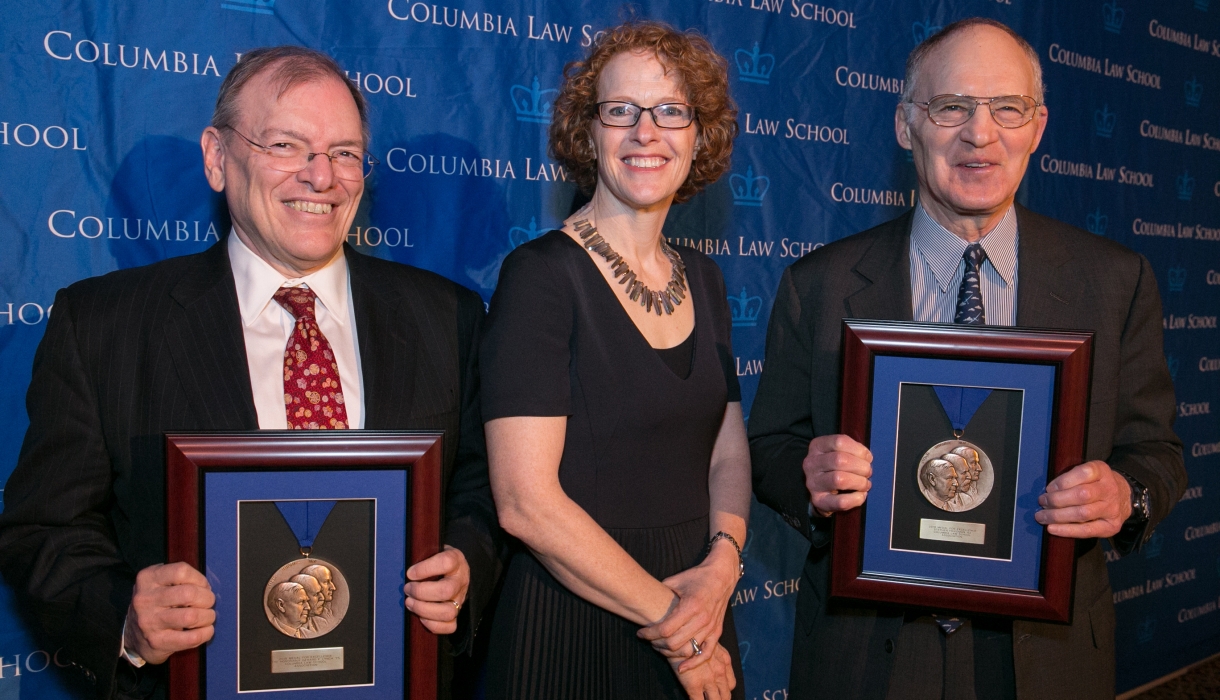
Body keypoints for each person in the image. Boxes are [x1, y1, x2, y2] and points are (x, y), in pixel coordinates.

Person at [0, 46, 505, 699]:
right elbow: (44, 528)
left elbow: (483, 487)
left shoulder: (450, 317)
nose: (321, 176)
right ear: (217, 158)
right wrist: (124, 614)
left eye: (345, 152)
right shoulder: (101, 327)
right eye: (286, 145)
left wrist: (465, 561)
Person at [749, 17, 1186, 700]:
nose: (980, 134)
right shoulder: (820, 283)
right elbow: (771, 445)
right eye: (951, 106)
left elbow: (1156, 451)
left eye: (1007, 108)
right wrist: (808, 477)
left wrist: (1125, 495)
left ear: (1037, 127)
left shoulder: (1115, 280)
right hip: (867, 656)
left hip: (1046, 657)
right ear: (905, 125)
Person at [479, 20, 750, 700]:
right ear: (588, 131)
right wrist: (676, 627)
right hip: (577, 626)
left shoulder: (706, 277)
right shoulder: (540, 277)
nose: (645, 133)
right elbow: (524, 503)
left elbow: (726, 453)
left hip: (699, 608)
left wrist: (722, 567)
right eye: (620, 111)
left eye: (671, 112)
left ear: (699, 135)